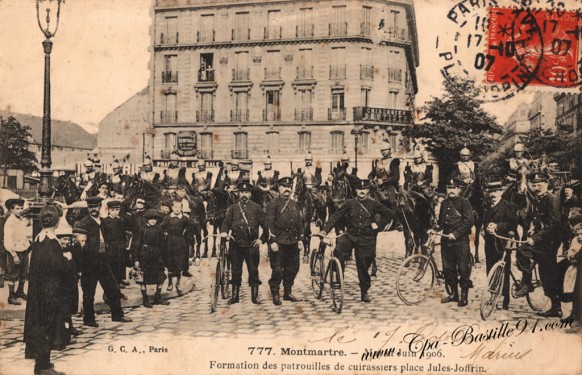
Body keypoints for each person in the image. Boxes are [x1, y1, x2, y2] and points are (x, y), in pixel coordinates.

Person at [319, 179, 394, 302]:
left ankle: (364, 291)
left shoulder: (373, 203)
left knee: (364, 264)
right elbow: (336, 217)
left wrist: (378, 226)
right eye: (359, 189)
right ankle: (339, 274)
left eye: (364, 189)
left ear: (368, 190)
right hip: (350, 235)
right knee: (338, 249)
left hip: (366, 237)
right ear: (356, 190)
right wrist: (325, 231)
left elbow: (389, 214)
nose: (362, 191)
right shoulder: (349, 203)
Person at [24, 204, 70, 375]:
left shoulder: (38, 239)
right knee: (48, 326)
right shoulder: (52, 242)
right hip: (50, 292)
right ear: (57, 222)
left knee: (40, 326)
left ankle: (43, 364)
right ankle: (43, 368)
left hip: (38, 291)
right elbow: (57, 268)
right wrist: (67, 259)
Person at [73, 196, 132, 327]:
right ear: (88, 208)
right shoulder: (83, 223)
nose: (93, 209)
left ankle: (117, 315)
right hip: (90, 263)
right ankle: (89, 319)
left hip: (104, 261)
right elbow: (78, 248)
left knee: (113, 289)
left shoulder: (104, 222)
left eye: (95, 206)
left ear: (100, 207)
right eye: (90, 207)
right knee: (89, 292)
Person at [515, 172, 562, 317]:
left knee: (548, 274)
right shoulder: (537, 200)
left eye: (539, 185)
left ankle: (556, 307)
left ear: (546, 184)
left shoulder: (551, 200)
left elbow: (554, 224)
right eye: (533, 185)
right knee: (523, 251)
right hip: (542, 240)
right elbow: (537, 220)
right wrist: (531, 231)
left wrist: (536, 238)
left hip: (550, 241)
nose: (536, 187)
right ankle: (527, 282)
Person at [265, 177, 305, 305]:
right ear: (279, 188)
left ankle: (287, 292)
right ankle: (275, 293)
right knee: (277, 269)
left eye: (288, 186)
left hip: (293, 241)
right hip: (280, 241)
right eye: (283, 186)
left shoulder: (294, 203)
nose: (287, 189)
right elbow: (269, 223)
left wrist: (300, 239)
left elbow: (299, 223)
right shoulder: (273, 203)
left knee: (293, 267)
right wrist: (273, 241)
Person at [436, 178, 474, 307]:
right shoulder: (444, 203)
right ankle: (453, 294)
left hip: (461, 241)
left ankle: (463, 296)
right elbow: (442, 221)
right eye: (449, 188)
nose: (451, 190)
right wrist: (434, 229)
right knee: (448, 269)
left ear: (458, 189)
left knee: (463, 269)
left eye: (454, 188)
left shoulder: (464, 202)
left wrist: (456, 234)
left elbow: (469, 221)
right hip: (446, 240)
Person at [482, 180, 518, 310]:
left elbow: (512, 224)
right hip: (490, 243)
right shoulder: (487, 206)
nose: (493, 194)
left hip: (503, 243)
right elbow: (485, 220)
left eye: (496, 191)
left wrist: (497, 226)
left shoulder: (508, 206)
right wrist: (484, 228)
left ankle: (505, 299)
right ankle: (493, 295)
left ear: (501, 192)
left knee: (504, 271)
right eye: (491, 191)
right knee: (490, 270)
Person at [133, 209, 169, 308]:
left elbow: (162, 244)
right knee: (143, 277)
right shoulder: (142, 229)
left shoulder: (159, 229)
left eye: (155, 219)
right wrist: (136, 259)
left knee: (160, 276)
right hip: (145, 254)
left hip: (156, 254)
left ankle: (158, 296)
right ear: (146, 220)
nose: (153, 221)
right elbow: (137, 244)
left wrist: (164, 258)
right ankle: (145, 299)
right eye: (151, 219)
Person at [161, 199, 198, 294]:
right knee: (170, 262)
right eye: (175, 207)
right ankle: (170, 283)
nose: (177, 209)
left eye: (179, 207)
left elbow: (193, 224)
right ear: (172, 208)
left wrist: (186, 231)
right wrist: (164, 233)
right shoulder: (168, 218)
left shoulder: (184, 218)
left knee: (179, 262)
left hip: (180, 242)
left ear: (181, 208)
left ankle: (178, 282)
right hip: (169, 242)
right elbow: (161, 227)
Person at [3, 198, 32, 305]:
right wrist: (14, 255)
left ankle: (20, 291)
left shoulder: (20, 219)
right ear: (12, 210)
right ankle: (11, 296)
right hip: (14, 251)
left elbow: (26, 225)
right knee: (13, 273)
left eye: (21, 208)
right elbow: (8, 240)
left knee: (23, 272)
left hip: (23, 250)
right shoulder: (10, 222)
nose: (20, 210)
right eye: (17, 208)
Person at [101, 200, 130, 291]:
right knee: (112, 264)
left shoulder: (121, 220)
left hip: (120, 245)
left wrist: (125, 244)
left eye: (117, 210)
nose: (115, 212)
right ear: (108, 210)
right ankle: (113, 285)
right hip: (111, 246)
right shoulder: (105, 221)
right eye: (113, 210)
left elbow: (124, 233)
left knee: (121, 263)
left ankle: (119, 281)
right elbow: (104, 234)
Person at [561, 183, 580, 251]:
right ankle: (566, 249)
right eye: (565, 190)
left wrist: (570, 216)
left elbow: (575, 210)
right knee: (564, 234)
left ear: (572, 190)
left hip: (572, 219)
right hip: (564, 219)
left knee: (572, 234)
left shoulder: (574, 199)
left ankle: (572, 250)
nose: (566, 192)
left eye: (568, 190)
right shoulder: (564, 199)